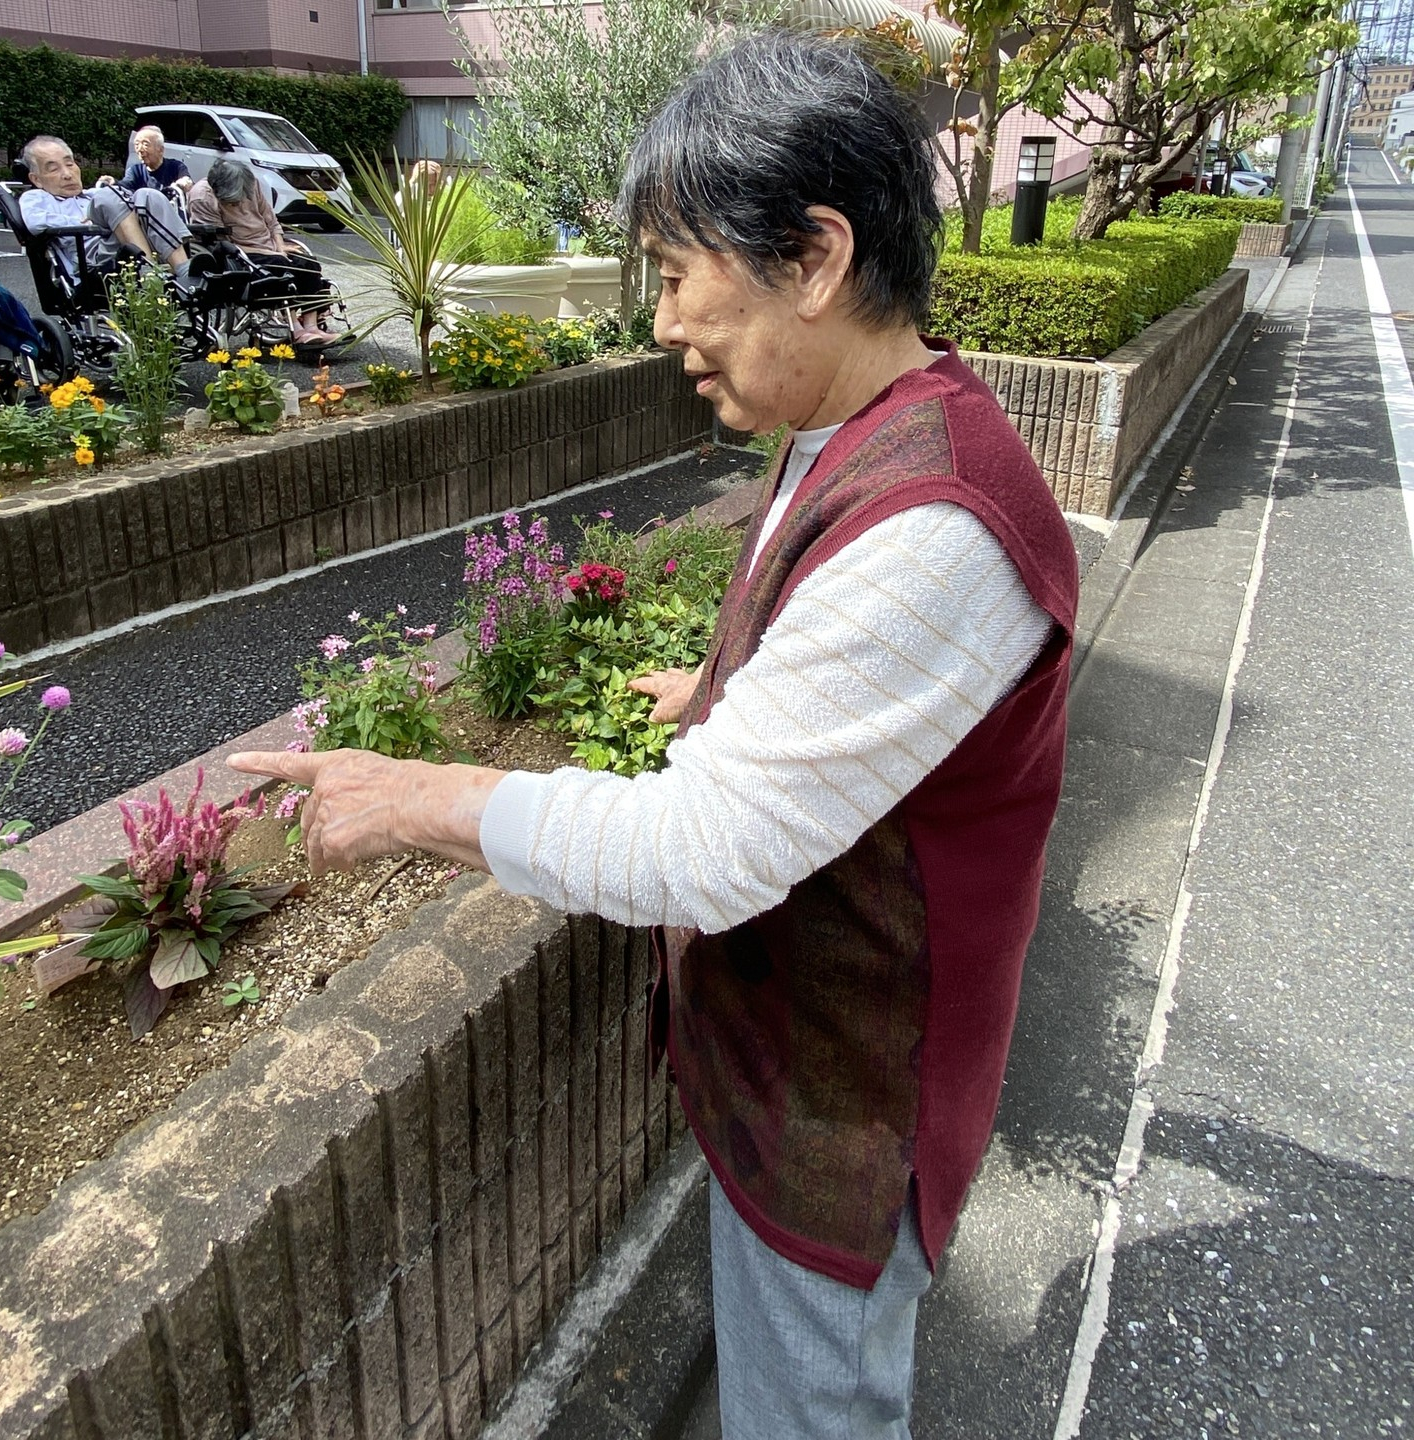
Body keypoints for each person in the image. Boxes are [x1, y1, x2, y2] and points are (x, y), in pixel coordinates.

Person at [230, 30, 1078, 1440]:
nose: (663, 321)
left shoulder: (937, 524)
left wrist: (421, 797)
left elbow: (703, 850)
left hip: (845, 1120)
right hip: (796, 1071)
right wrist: (724, 684)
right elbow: (825, 636)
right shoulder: (861, 422)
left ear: (812, 257)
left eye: (679, 274)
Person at [187, 157, 337, 344]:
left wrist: (280, 246)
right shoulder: (203, 197)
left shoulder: (250, 183)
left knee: (308, 263)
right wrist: (273, 254)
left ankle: (311, 327)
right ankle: (297, 331)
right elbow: (220, 244)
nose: (240, 203)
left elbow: (271, 220)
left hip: (268, 246)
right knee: (280, 267)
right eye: (234, 202)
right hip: (238, 252)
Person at [18, 135, 195, 285]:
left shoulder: (93, 194)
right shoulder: (36, 198)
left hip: (125, 246)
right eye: (54, 169)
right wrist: (95, 220)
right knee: (107, 196)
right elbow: (35, 223)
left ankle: (185, 272)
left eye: (70, 164)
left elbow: (132, 203)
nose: (67, 174)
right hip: (90, 259)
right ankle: (149, 275)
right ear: (37, 179)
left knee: (147, 194)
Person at [98, 125, 193, 198]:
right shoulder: (135, 171)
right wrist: (114, 182)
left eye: (145, 144)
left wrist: (183, 183)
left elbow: (186, 180)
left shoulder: (176, 167)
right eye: (137, 144)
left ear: (161, 150)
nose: (140, 149)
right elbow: (125, 185)